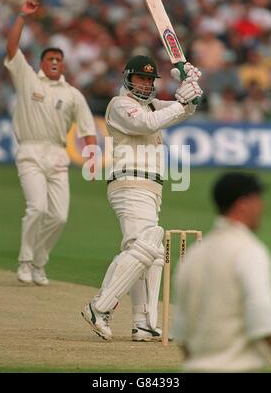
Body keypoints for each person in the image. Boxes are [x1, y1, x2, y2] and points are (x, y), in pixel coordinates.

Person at [81, 54, 203, 341]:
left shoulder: (152, 104)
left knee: (152, 254)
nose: (146, 84)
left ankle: (144, 323)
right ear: (128, 78)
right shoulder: (120, 104)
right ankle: (99, 307)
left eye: (150, 79)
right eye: (141, 78)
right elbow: (149, 123)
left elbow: (181, 111)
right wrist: (183, 103)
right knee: (144, 248)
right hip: (130, 183)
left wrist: (192, 87)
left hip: (151, 188)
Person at [4, 1, 97, 286]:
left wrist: (93, 158)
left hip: (57, 155)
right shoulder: (27, 79)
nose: (55, 62)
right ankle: (24, 261)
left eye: (59, 59)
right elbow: (11, 48)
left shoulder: (72, 94)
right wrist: (21, 17)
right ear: (43, 63)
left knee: (58, 216)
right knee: (38, 209)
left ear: (63, 64)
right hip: (30, 151)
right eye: (50, 59)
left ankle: (39, 263)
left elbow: (86, 128)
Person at [173, 172, 271, 372]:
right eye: (257, 199)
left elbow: (182, 332)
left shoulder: (193, 254)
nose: (262, 206)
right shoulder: (249, 250)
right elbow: (262, 319)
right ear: (243, 204)